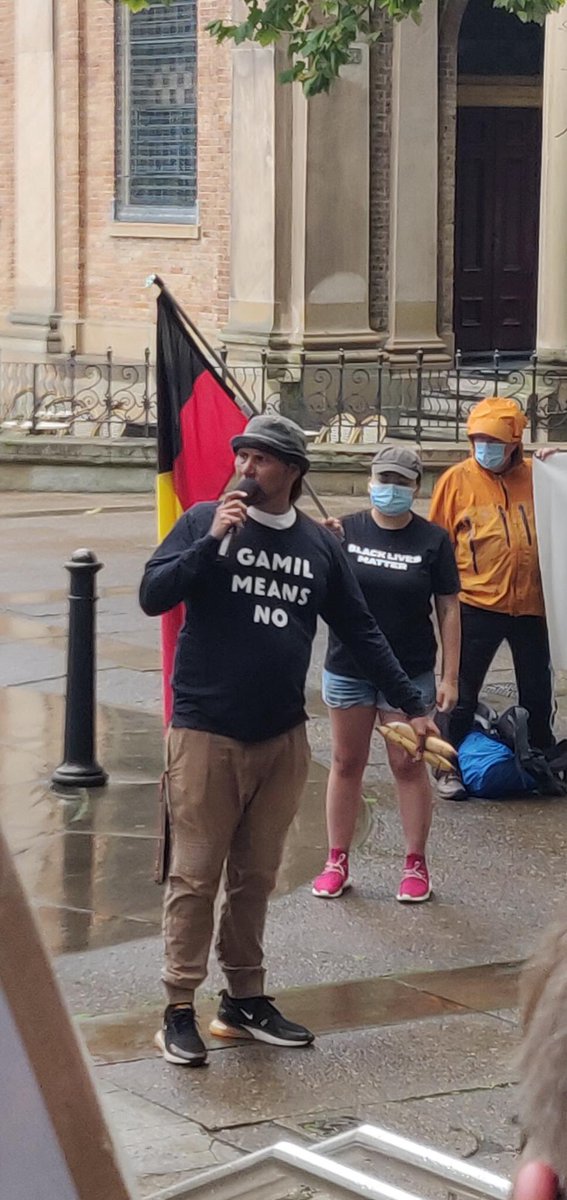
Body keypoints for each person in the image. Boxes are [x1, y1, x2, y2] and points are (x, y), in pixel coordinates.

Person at [139, 414, 438, 1068]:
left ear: (293, 472)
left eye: (262, 459)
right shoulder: (202, 522)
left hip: (280, 736)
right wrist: (209, 540)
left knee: (256, 876)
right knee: (194, 874)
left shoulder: (317, 546)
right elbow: (153, 594)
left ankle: (242, 1000)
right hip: (205, 730)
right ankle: (177, 1009)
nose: (246, 468)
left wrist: (413, 706)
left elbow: (359, 630)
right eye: (241, 456)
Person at [311, 445, 461, 905]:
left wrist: (449, 675)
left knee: (408, 765)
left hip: (409, 670)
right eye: (383, 479)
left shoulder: (433, 541)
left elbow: (449, 608)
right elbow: (314, 583)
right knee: (346, 762)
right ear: (370, 480)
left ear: (416, 487)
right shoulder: (346, 530)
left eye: (400, 482)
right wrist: (316, 541)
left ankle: (415, 863)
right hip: (349, 667)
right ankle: (337, 859)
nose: (390, 489)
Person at [430, 397, 554, 801]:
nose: (486, 447)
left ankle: (542, 760)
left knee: (536, 691)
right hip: (476, 605)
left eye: (495, 440)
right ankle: (446, 764)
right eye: (479, 439)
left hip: (534, 605)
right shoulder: (456, 480)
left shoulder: (541, 477)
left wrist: (562, 457)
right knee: (459, 693)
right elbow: (438, 540)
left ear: (516, 441)